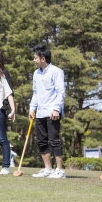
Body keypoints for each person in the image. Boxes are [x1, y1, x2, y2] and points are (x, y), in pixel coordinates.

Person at [29, 44, 66, 179]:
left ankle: (60, 170)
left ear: (43, 58)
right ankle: (48, 169)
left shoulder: (57, 71)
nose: (34, 60)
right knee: (41, 141)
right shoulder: (36, 73)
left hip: (53, 112)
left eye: (35, 58)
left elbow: (60, 92)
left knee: (54, 140)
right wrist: (32, 108)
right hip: (40, 112)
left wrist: (57, 109)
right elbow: (35, 93)